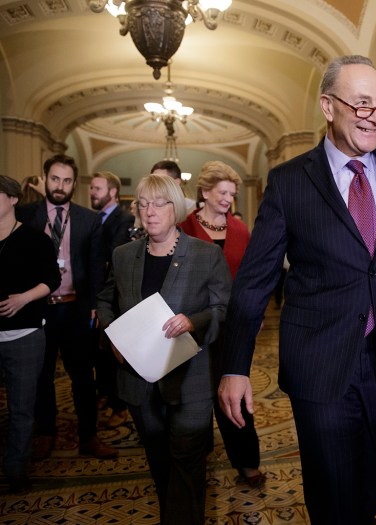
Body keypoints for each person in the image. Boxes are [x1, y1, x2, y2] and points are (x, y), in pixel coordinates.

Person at [218, 55, 376, 524]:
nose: (373, 116)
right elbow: (255, 282)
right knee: (330, 486)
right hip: (319, 362)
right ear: (328, 106)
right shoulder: (288, 183)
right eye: (361, 103)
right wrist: (235, 367)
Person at [97, 174, 231, 525]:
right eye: (143, 204)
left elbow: (223, 312)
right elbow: (105, 301)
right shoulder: (124, 255)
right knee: (158, 461)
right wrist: (113, 338)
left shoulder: (206, 255)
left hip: (190, 380)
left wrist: (194, 321)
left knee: (187, 461)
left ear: (177, 207)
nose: (150, 212)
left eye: (159, 203)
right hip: (139, 382)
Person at [16, 154, 117, 462]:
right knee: (41, 375)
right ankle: (45, 434)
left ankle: (89, 436)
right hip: (38, 309)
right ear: (45, 178)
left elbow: (98, 265)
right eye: (55, 179)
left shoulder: (88, 219)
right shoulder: (25, 215)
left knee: (83, 377)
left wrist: (97, 305)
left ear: (75, 183)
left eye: (67, 180)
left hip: (76, 309)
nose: (60, 186)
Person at [178, 160, 265, 487]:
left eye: (232, 193)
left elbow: (251, 278)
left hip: (233, 325)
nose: (229, 199)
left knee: (234, 389)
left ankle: (246, 461)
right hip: (195, 324)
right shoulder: (185, 226)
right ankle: (196, 453)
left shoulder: (240, 229)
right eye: (223, 192)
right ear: (205, 192)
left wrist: (254, 316)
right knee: (196, 391)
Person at [0, 176, 61, 492]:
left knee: (22, 408)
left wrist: (22, 298)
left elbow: (52, 279)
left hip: (24, 335)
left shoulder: (35, 239)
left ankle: (16, 469)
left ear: (12, 199)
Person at [89, 170, 134, 428]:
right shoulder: (95, 217)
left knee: (114, 354)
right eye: (92, 188)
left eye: (97, 188)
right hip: (96, 296)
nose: (92, 192)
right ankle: (104, 393)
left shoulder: (124, 218)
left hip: (114, 296)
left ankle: (120, 405)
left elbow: (112, 256)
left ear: (112, 191)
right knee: (98, 353)